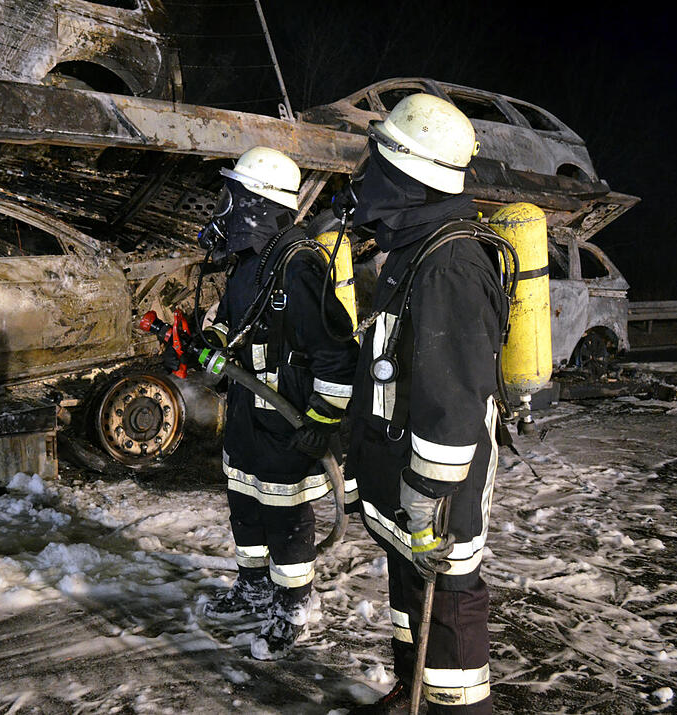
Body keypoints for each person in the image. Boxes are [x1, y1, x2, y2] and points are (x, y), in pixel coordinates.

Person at [345, 94, 508, 713]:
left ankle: (458, 708)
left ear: (411, 175)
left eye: (381, 160)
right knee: (411, 589)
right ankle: (413, 693)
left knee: (449, 600)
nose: (367, 176)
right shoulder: (415, 249)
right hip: (402, 470)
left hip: (438, 484)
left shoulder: (451, 263)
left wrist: (428, 494)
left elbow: (454, 399)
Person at [192, 146, 359, 660]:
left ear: (257, 204)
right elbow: (231, 317)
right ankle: (254, 588)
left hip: (289, 419)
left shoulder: (298, 265)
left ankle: (292, 605)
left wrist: (323, 419)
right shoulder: (250, 261)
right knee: (244, 500)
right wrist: (214, 342)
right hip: (248, 409)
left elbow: (337, 354)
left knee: (286, 515)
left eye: (233, 195)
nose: (224, 206)